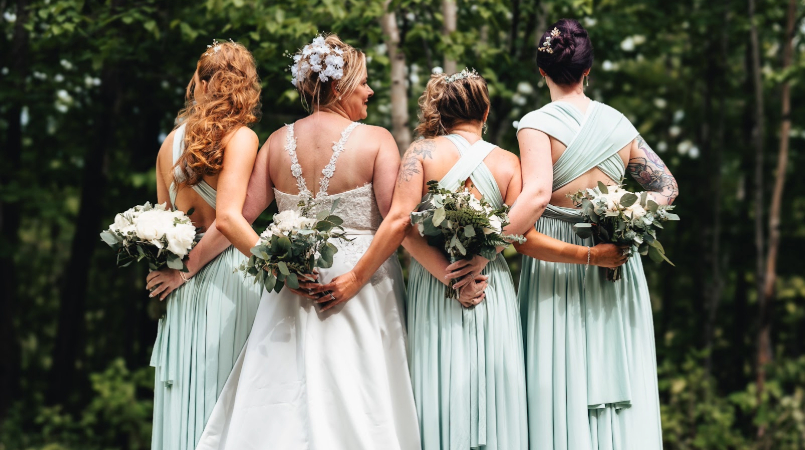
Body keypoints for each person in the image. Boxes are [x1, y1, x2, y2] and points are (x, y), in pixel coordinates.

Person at [318, 68, 628, 450]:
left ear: (439, 112)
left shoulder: (420, 153)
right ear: (485, 113)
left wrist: (451, 277)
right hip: (490, 287)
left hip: (436, 284)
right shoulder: (509, 163)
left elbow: (401, 226)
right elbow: (523, 236)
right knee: (495, 387)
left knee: (438, 388)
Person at [194, 34, 420, 450]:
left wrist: (196, 265)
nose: (370, 91)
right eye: (364, 82)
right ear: (338, 86)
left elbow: (237, 220)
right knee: (361, 398)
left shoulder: (275, 143)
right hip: (361, 287)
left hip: (292, 289)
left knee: (284, 401)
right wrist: (353, 279)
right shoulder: (377, 140)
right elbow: (398, 221)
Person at [515, 18, 678, 449]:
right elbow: (668, 188)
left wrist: (494, 241)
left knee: (558, 377)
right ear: (589, 70)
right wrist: (621, 213)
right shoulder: (618, 124)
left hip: (557, 265)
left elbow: (534, 198)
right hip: (616, 257)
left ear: (542, 71)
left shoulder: (535, 125)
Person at [144, 40, 263, 450]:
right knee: (227, 398)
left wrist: (177, 270)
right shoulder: (242, 138)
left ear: (200, 81)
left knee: (187, 395)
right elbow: (230, 220)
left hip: (181, 285)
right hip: (227, 279)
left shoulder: (169, 144)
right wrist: (278, 264)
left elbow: (161, 224)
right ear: (245, 85)